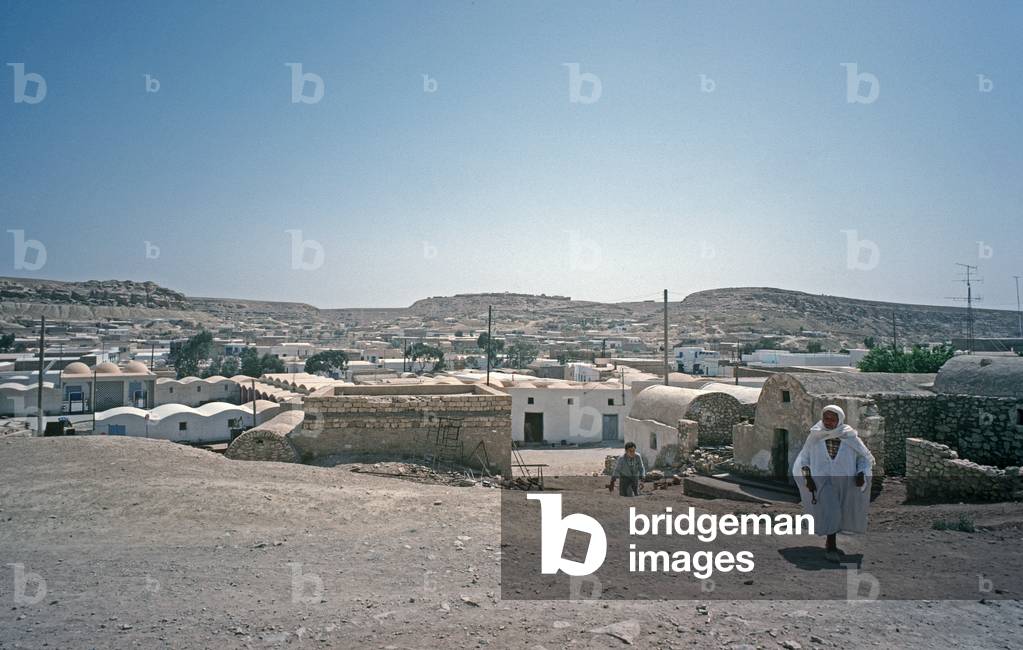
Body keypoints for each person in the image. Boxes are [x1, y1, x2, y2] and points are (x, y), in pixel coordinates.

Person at [793, 405, 875, 563]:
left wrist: (861, 473)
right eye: (826, 418)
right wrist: (808, 478)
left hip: (845, 482)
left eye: (832, 419)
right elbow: (805, 459)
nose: (828, 422)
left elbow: (864, 458)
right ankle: (830, 546)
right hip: (822, 481)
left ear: (839, 419)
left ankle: (832, 542)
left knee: (841, 511)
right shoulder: (815, 435)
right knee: (832, 510)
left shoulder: (849, 436)